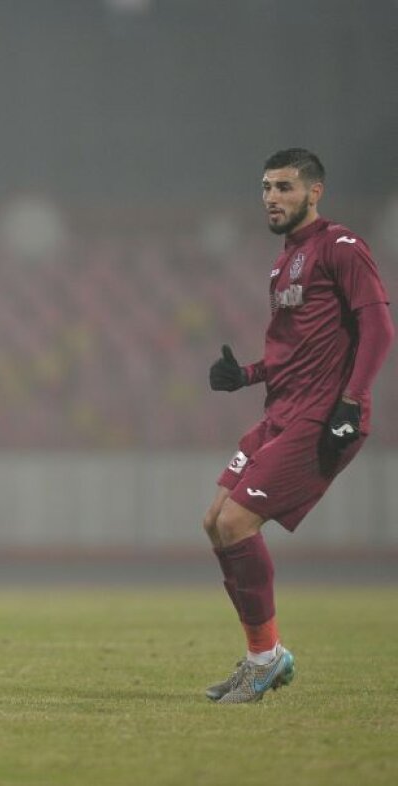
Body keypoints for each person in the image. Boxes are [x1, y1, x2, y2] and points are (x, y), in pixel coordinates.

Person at [203, 149, 393, 703]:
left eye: (284, 187)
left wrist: (352, 402)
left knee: (238, 521)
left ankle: (266, 660)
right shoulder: (285, 260)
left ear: (315, 193)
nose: (271, 197)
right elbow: (294, 353)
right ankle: (263, 654)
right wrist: (246, 375)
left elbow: (379, 327)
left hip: (322, 413)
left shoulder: (341, 247)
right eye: (265, 187)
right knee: (215, 520)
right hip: (280, 412)